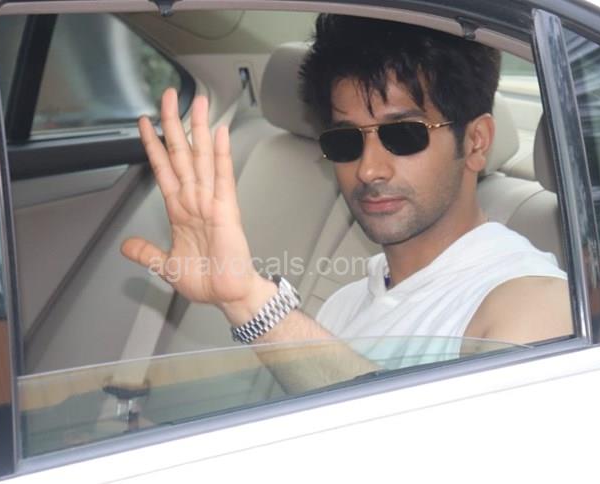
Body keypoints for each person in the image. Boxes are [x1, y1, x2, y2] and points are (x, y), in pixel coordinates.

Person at [120, 14, 572, 392]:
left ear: (476, 142)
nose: (368, 169)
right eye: (345, 140)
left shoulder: (531, 304)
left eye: (404, 134)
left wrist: (251, 300)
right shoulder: (344, 304)